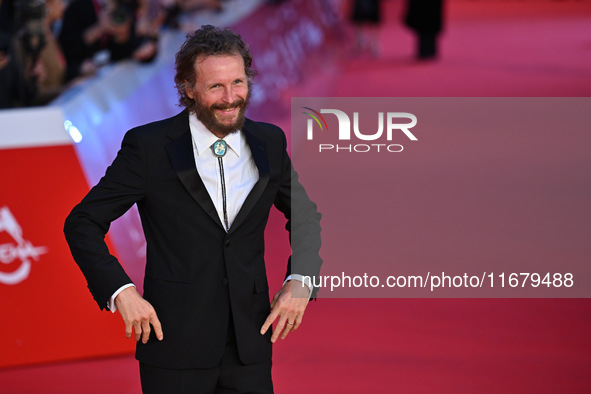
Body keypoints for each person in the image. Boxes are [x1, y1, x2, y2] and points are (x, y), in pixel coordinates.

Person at [64, 25, 322, 393]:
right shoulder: (149, 148)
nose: (230, 97)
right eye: (216, 86)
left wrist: (301, 280)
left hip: (249, 344)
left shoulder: (268, 141)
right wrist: (121, 290)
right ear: (188, 88)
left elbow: (306, 217)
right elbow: (82, 222)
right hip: (175, 347)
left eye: (238, 82)